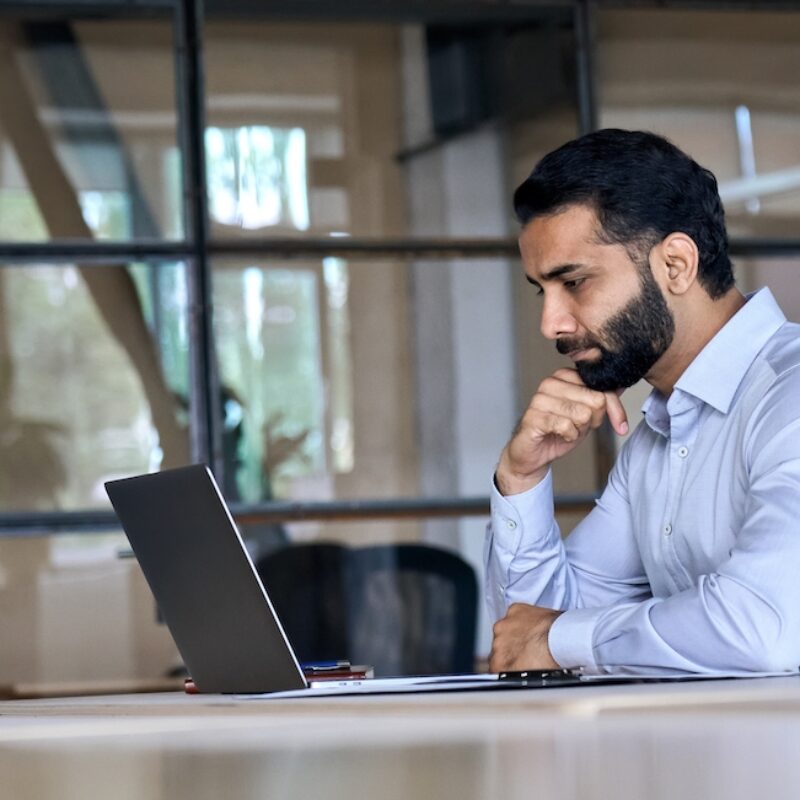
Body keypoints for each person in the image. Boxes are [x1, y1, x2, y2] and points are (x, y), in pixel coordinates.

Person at [485, 128, 800, 675]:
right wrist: (523, 477)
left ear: (675, 265)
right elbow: (534, 631)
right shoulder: (659, 432)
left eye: (575, 282)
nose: (550, 324)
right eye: (544, 290)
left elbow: (763, 628)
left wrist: (558, 638)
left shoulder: (788, 399)